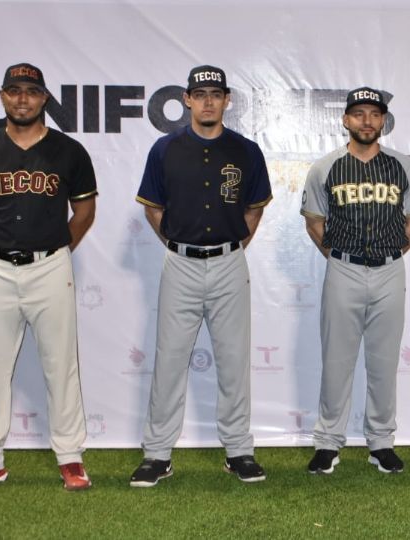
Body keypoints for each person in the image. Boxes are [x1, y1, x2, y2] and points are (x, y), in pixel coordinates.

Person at [0, 63, 97, 493]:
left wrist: (53, 249)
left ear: (44, 99)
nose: (22, 99)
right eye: (14, 91)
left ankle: (70, 457)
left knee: (61, 365)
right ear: (1, 96)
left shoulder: (69, 152)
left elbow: (84, 213)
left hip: (50, 265)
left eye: (31, 92)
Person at [131, 65, 272, 486]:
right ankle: (157, 454)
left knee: (233, 359)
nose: (208, 101)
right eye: (200, 93)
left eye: (216, 93)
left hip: (230, 262)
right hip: (181, 263)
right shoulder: (164, 149)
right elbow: (153, 208)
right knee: (170, 359)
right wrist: (179, 243)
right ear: (187, 100)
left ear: (227, 99)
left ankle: (239, 451)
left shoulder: (246, 151)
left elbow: (255, 208)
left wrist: (231, 245)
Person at [300, 87, 410, 474]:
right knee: (337, 359)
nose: (367, 121)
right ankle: (328, 442)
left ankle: (381, 442)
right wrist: (343, 258)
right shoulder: (325, 167)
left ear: (383, 121)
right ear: (346, 120)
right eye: (359, 114)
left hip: (390, 269)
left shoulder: (402, 166)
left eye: (374, 114)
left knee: (384, 361)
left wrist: (388, 254)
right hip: (343, 268)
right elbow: (314, 222)